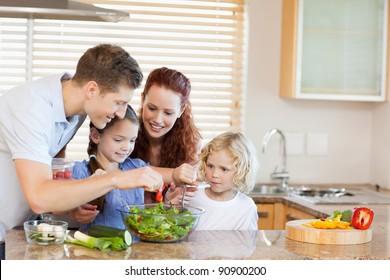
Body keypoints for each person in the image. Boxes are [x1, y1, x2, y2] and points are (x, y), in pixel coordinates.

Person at [0, 44, 191, 259]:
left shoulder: (76, 107)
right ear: (92, 90)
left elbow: (54, 170)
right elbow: (40, 197)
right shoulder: (31, 110)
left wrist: (71, 205)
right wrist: (116, 179)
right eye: (119, 103)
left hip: (20, 232)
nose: (121, 114)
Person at [131, 67, 203, 204]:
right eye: (152, 108)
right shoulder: (123, 134)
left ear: (181, 110)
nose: (157, 119)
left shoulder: (192, 148)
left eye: (168, 113)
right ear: (142, 99)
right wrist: (173, 175)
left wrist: (168, 204)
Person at [189, 132, 259, 230]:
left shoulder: (247, 207)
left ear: (242, 171)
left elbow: (248, 242)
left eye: (224, 169)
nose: (214, 174)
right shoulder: (192, 197)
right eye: (210, 166)